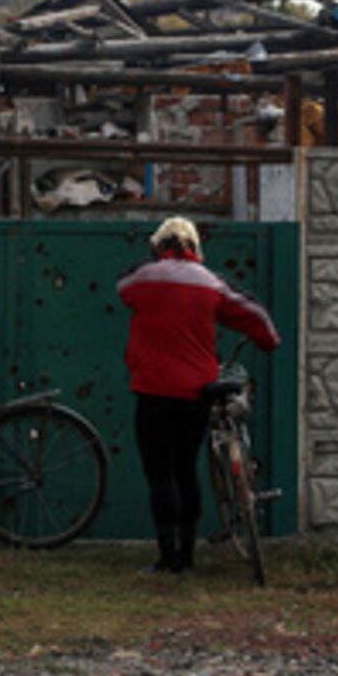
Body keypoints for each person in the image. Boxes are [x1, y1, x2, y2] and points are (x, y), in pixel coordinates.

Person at [117, 216, 280, 574]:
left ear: (160, 246)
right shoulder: (210, 284)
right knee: (186, 469)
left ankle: (168, 556)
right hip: (196, 392)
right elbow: (253, 315)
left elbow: (122, 286)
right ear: (195, 248)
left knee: (160, 473)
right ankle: (188, 556)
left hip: (153, 390)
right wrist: (268, 341)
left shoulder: (144, 279)